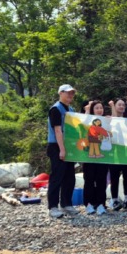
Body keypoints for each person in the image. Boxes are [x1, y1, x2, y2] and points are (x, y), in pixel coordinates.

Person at [47, 84, 78, 219]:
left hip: (68, 146)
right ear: (60, 93)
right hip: (56, 146)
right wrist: (62, 149)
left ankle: (66, 203)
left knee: (69, 177)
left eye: (72, 93)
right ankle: (53, 206)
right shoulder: (56, 109)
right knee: (57, 177)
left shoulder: (70, 109)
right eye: (67, 93)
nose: (70, 95)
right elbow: (58, 130)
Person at [82, 101, 110, 215]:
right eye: (97, 108)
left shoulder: (106, 121)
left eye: (101, 107)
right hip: (88, 157)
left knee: (101, 180)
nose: (99, 110)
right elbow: (82, 124)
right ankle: (88, 204)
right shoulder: (88, 120)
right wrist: (87, 111)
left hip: (102, 158)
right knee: (89, 180)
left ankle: (101, 204)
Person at [107, 98, 127, 210]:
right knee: (114, 176)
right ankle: (115, 199)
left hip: (126, 152)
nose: (121, 106)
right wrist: (111, 106)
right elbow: (115, 120)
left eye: (123, 105)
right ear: (115, 106)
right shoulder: (110, 119)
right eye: (119, 105)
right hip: (114, 152)